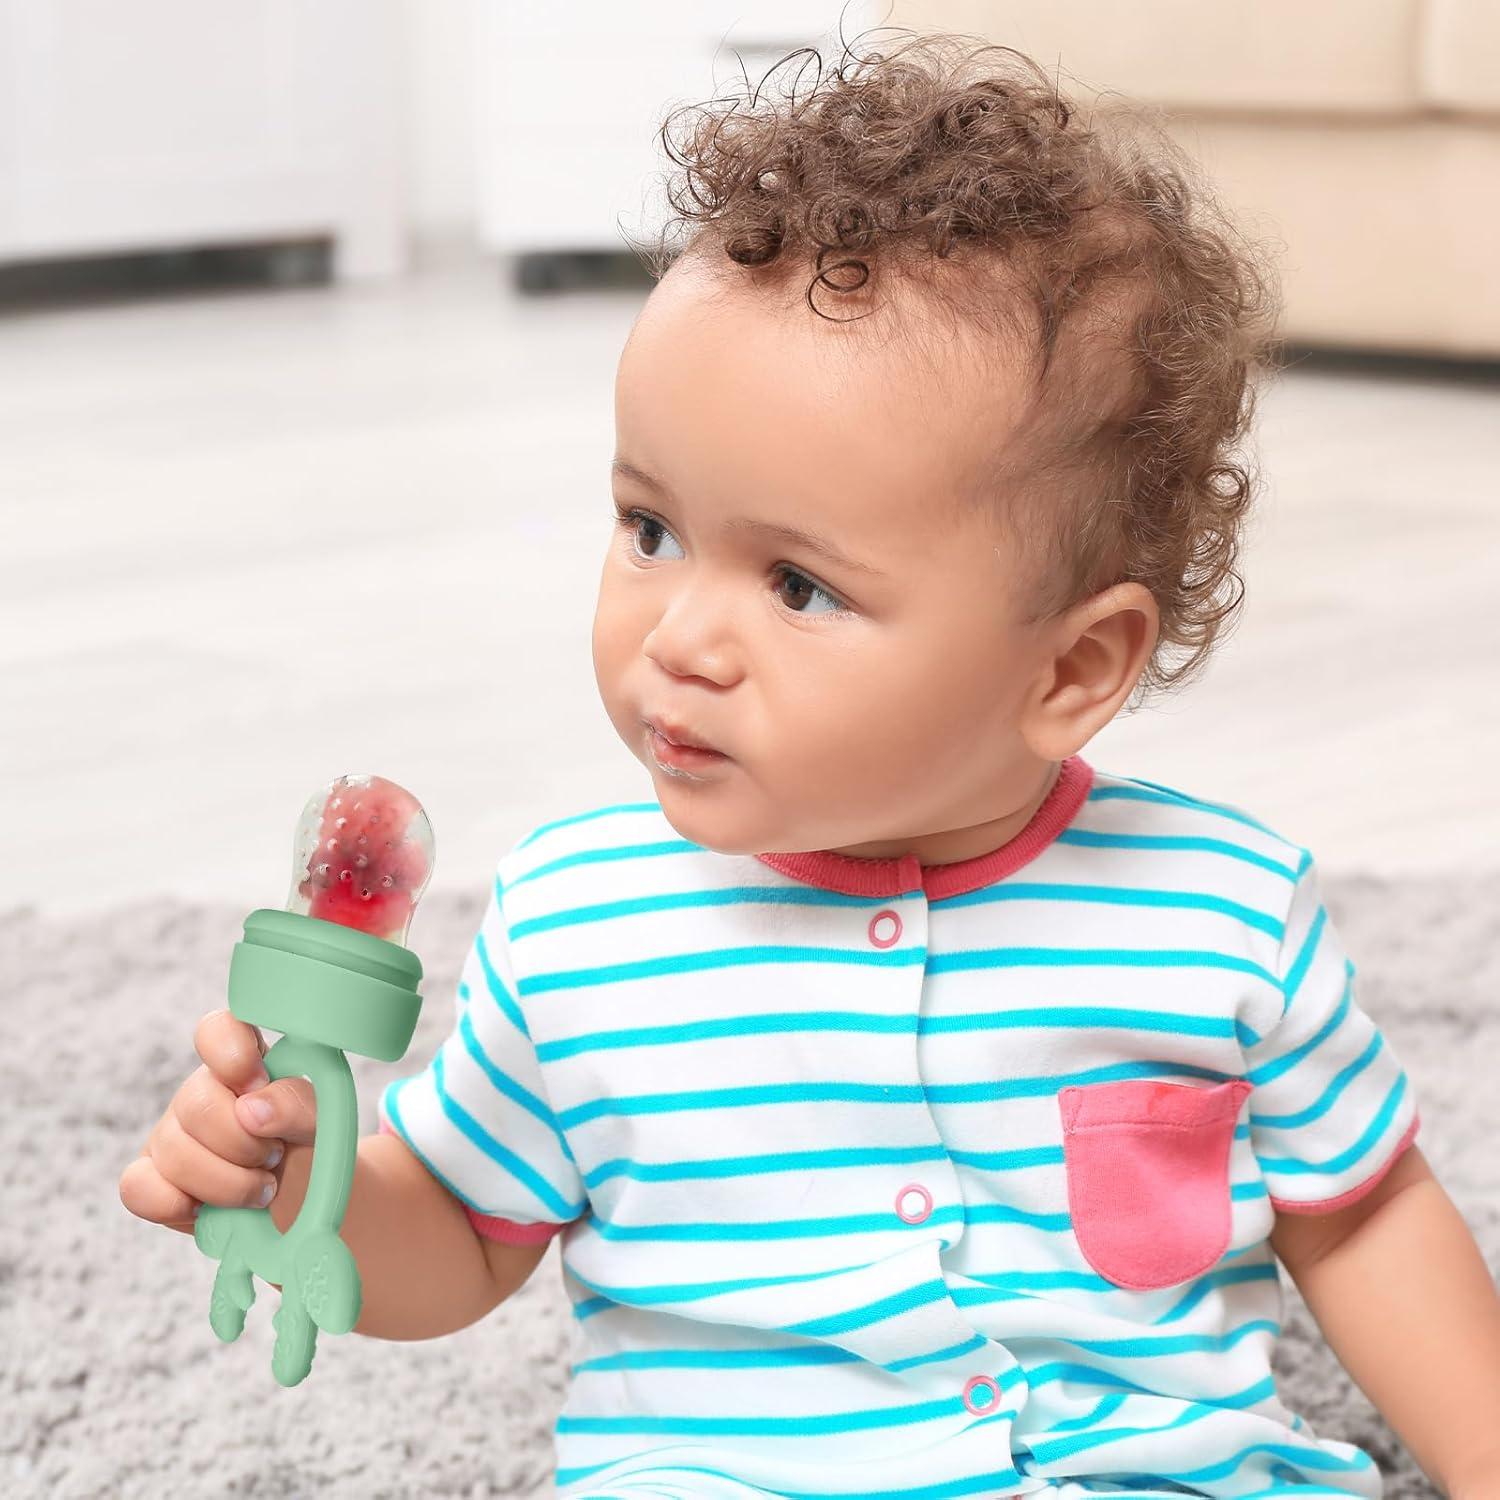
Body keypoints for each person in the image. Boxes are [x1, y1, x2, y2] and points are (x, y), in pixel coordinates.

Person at [120, 30, 1500, 1499]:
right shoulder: (575, 922)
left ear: (1071, 669)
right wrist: (309, 1181)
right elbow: (460, 1238)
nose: (682, 639)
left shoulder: (1222, 907)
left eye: (799, 586)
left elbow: (1354, 1215)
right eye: (651, 529)